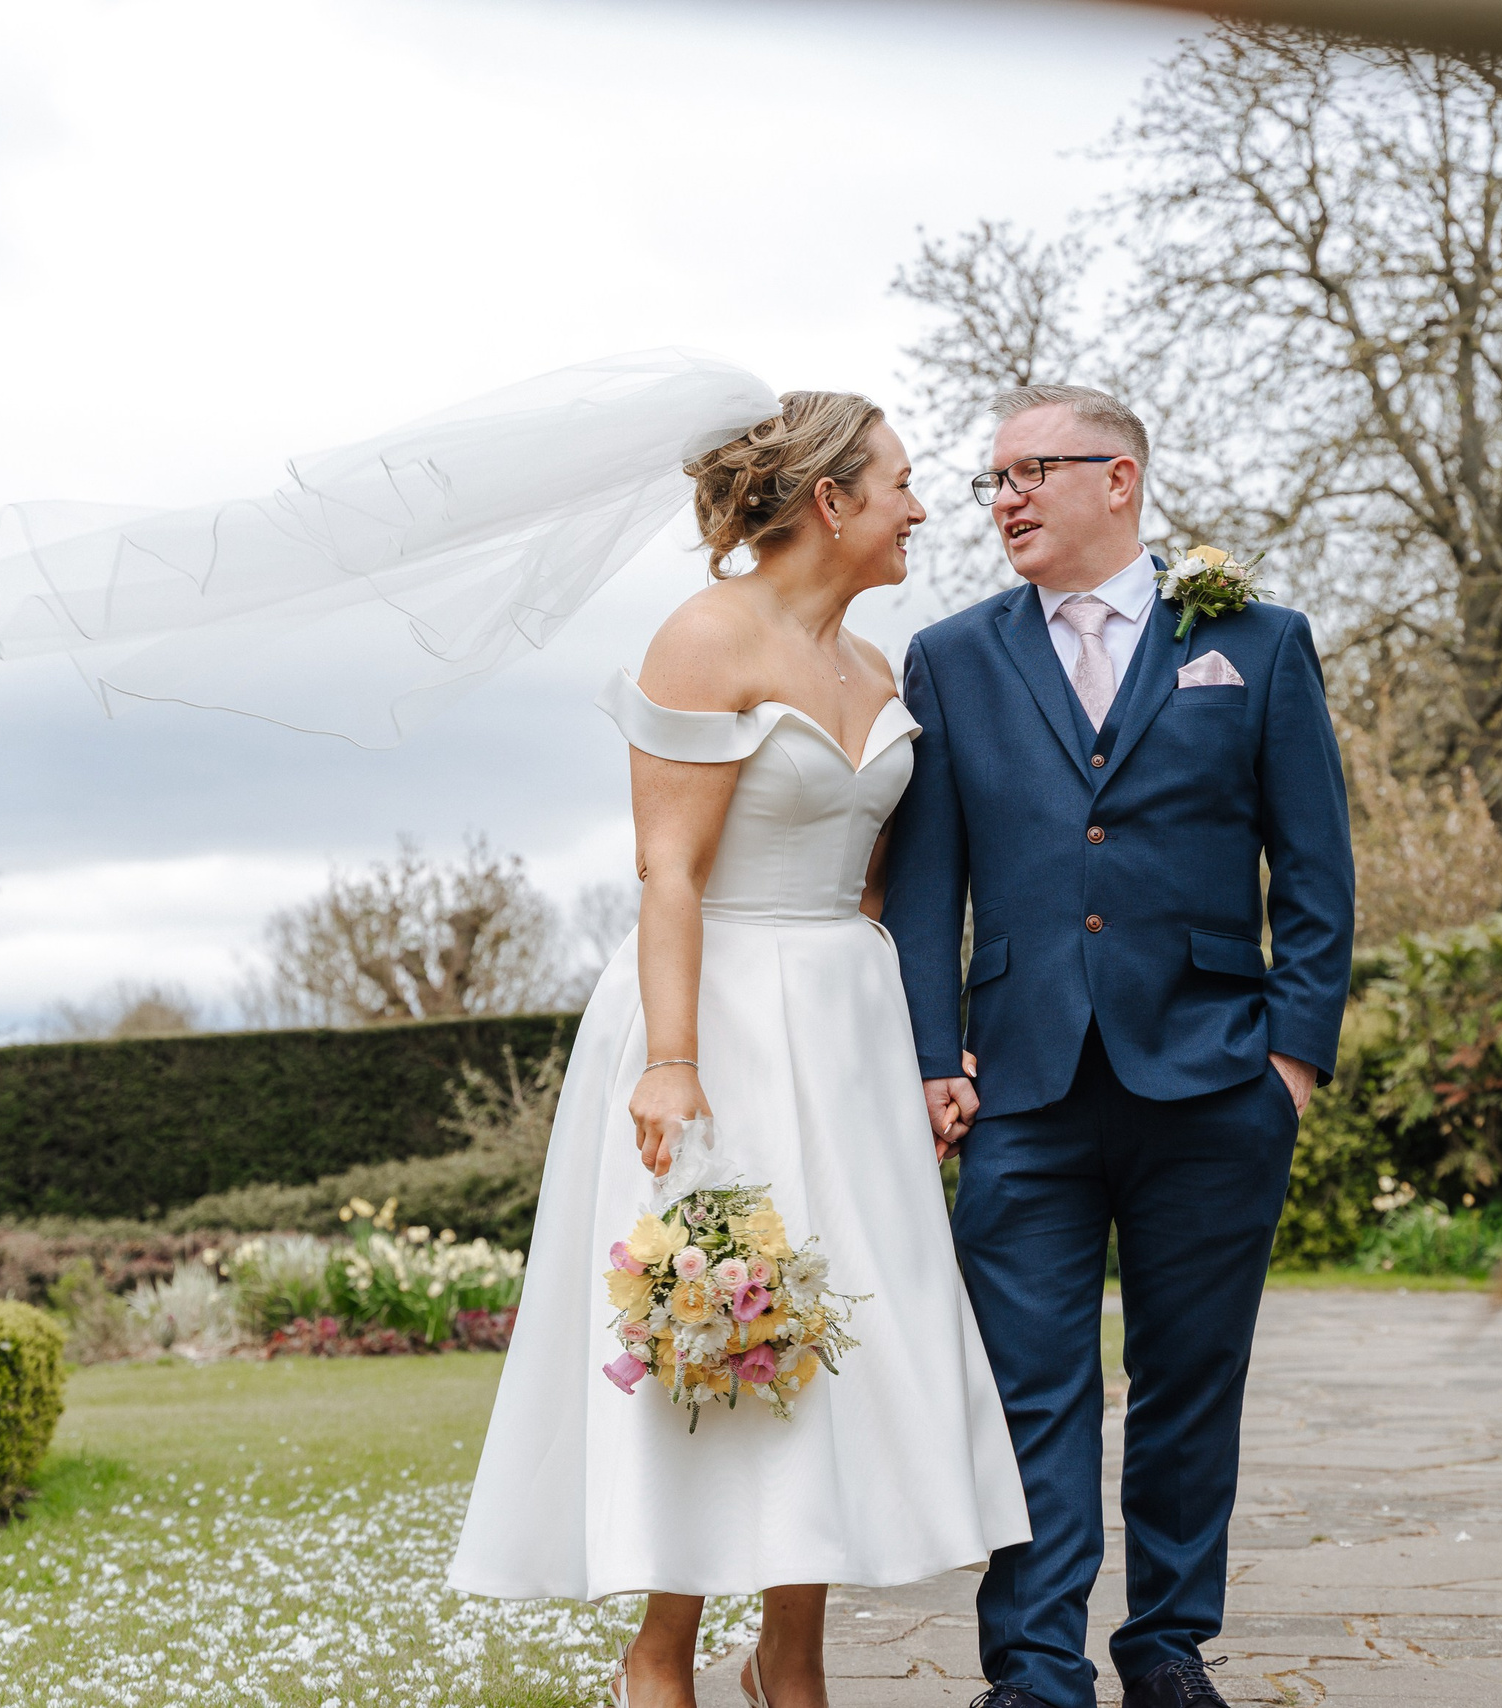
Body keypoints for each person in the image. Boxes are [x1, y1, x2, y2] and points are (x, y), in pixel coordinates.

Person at [446, 391, 1030, 1708]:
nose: (922, 510)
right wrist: (670, 1062)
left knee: (829, 1332)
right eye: (901, 484)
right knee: (718, 1323)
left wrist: (930, 1046)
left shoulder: (882, 671)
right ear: (832, 501)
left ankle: (796, 1658)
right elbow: (668, 873)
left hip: (848, 1021)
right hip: (713, 1014)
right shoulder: (705, 638)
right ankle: (660, 1650)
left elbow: (890, 886)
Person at [881, 386, 1357, 1708]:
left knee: (1191, 1383)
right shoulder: (954, 658)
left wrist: (1292, 1061)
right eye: (994, 479)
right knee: (1031, 1391)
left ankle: (1165, 1650)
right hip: (1021, 1088)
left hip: (1216, 1079)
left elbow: (1315, 869)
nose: (1006, 498)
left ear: (1121, 480)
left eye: (1035, 470)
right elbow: (928, 886)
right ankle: (1035, 1669)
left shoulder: (1257, 645)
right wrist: (935, 1049)